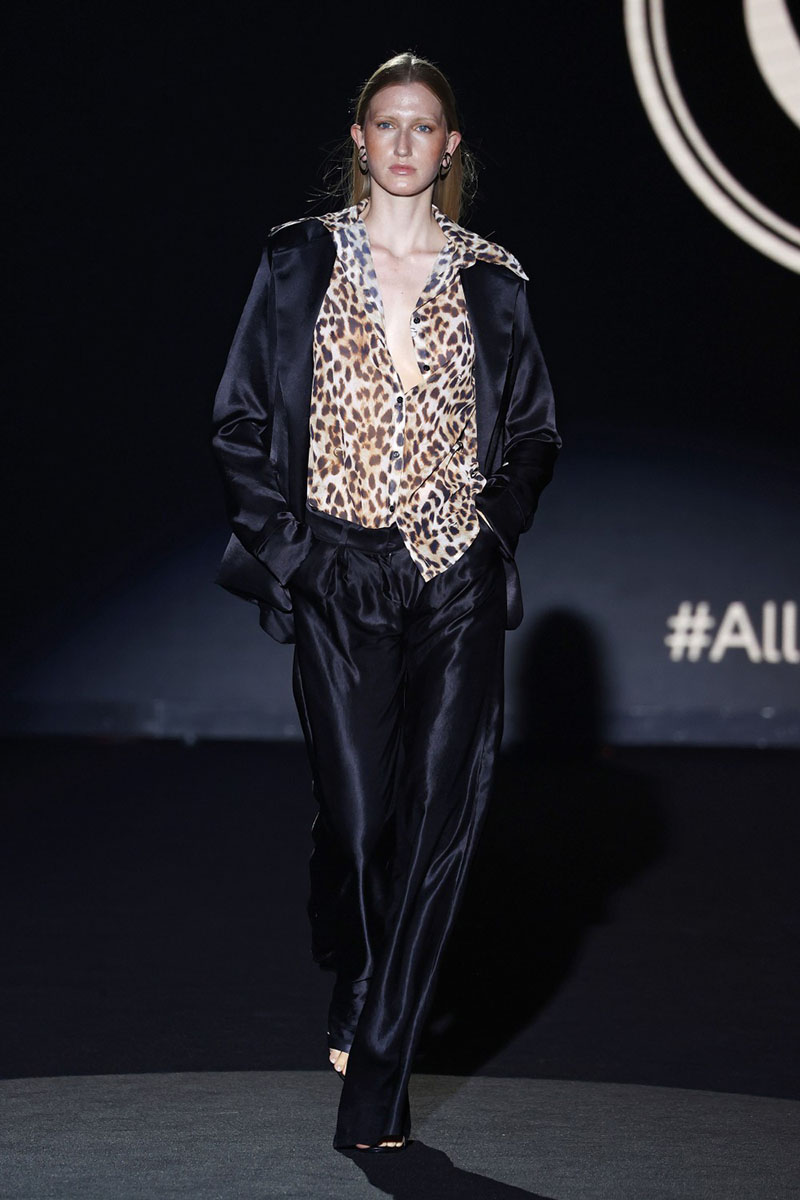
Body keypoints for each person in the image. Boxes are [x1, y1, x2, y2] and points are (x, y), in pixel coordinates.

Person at [211, 50, 560, 1153]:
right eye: (386, 124)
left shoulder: (494, 278)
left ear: (449, 146)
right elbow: (238, 424)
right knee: (361, 823)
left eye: (424, 126)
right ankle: (356, 970)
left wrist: (491, 529)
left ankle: (377, 1077)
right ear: (359, 140)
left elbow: (534, 433)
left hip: (456, 577)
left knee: (437, 828)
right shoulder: (296, 261)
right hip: (340, 568)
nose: (405, 143)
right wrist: (300, 559)